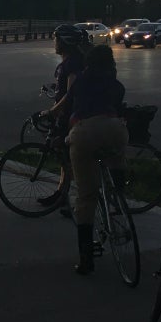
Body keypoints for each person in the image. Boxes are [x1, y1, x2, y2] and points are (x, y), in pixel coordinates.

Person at [65, 44, 128, 274]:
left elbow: (69, 109)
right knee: (117, 156)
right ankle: (118, 194)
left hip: (85, 131)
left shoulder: (80, 81)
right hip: (114, 128)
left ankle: (86, 259)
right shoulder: (115, 83)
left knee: (86, 196)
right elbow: (118, 105)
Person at [37, 23, 90, 211]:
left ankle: (73, 199)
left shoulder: (72, 63)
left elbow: (71, 93)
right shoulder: (72, 61)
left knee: (71, 158)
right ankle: (62, 193)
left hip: (72, 117)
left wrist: (54, 110)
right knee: (64, 157)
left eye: (56, 39)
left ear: (64, 42)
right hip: (69, 115)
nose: (54, 42)